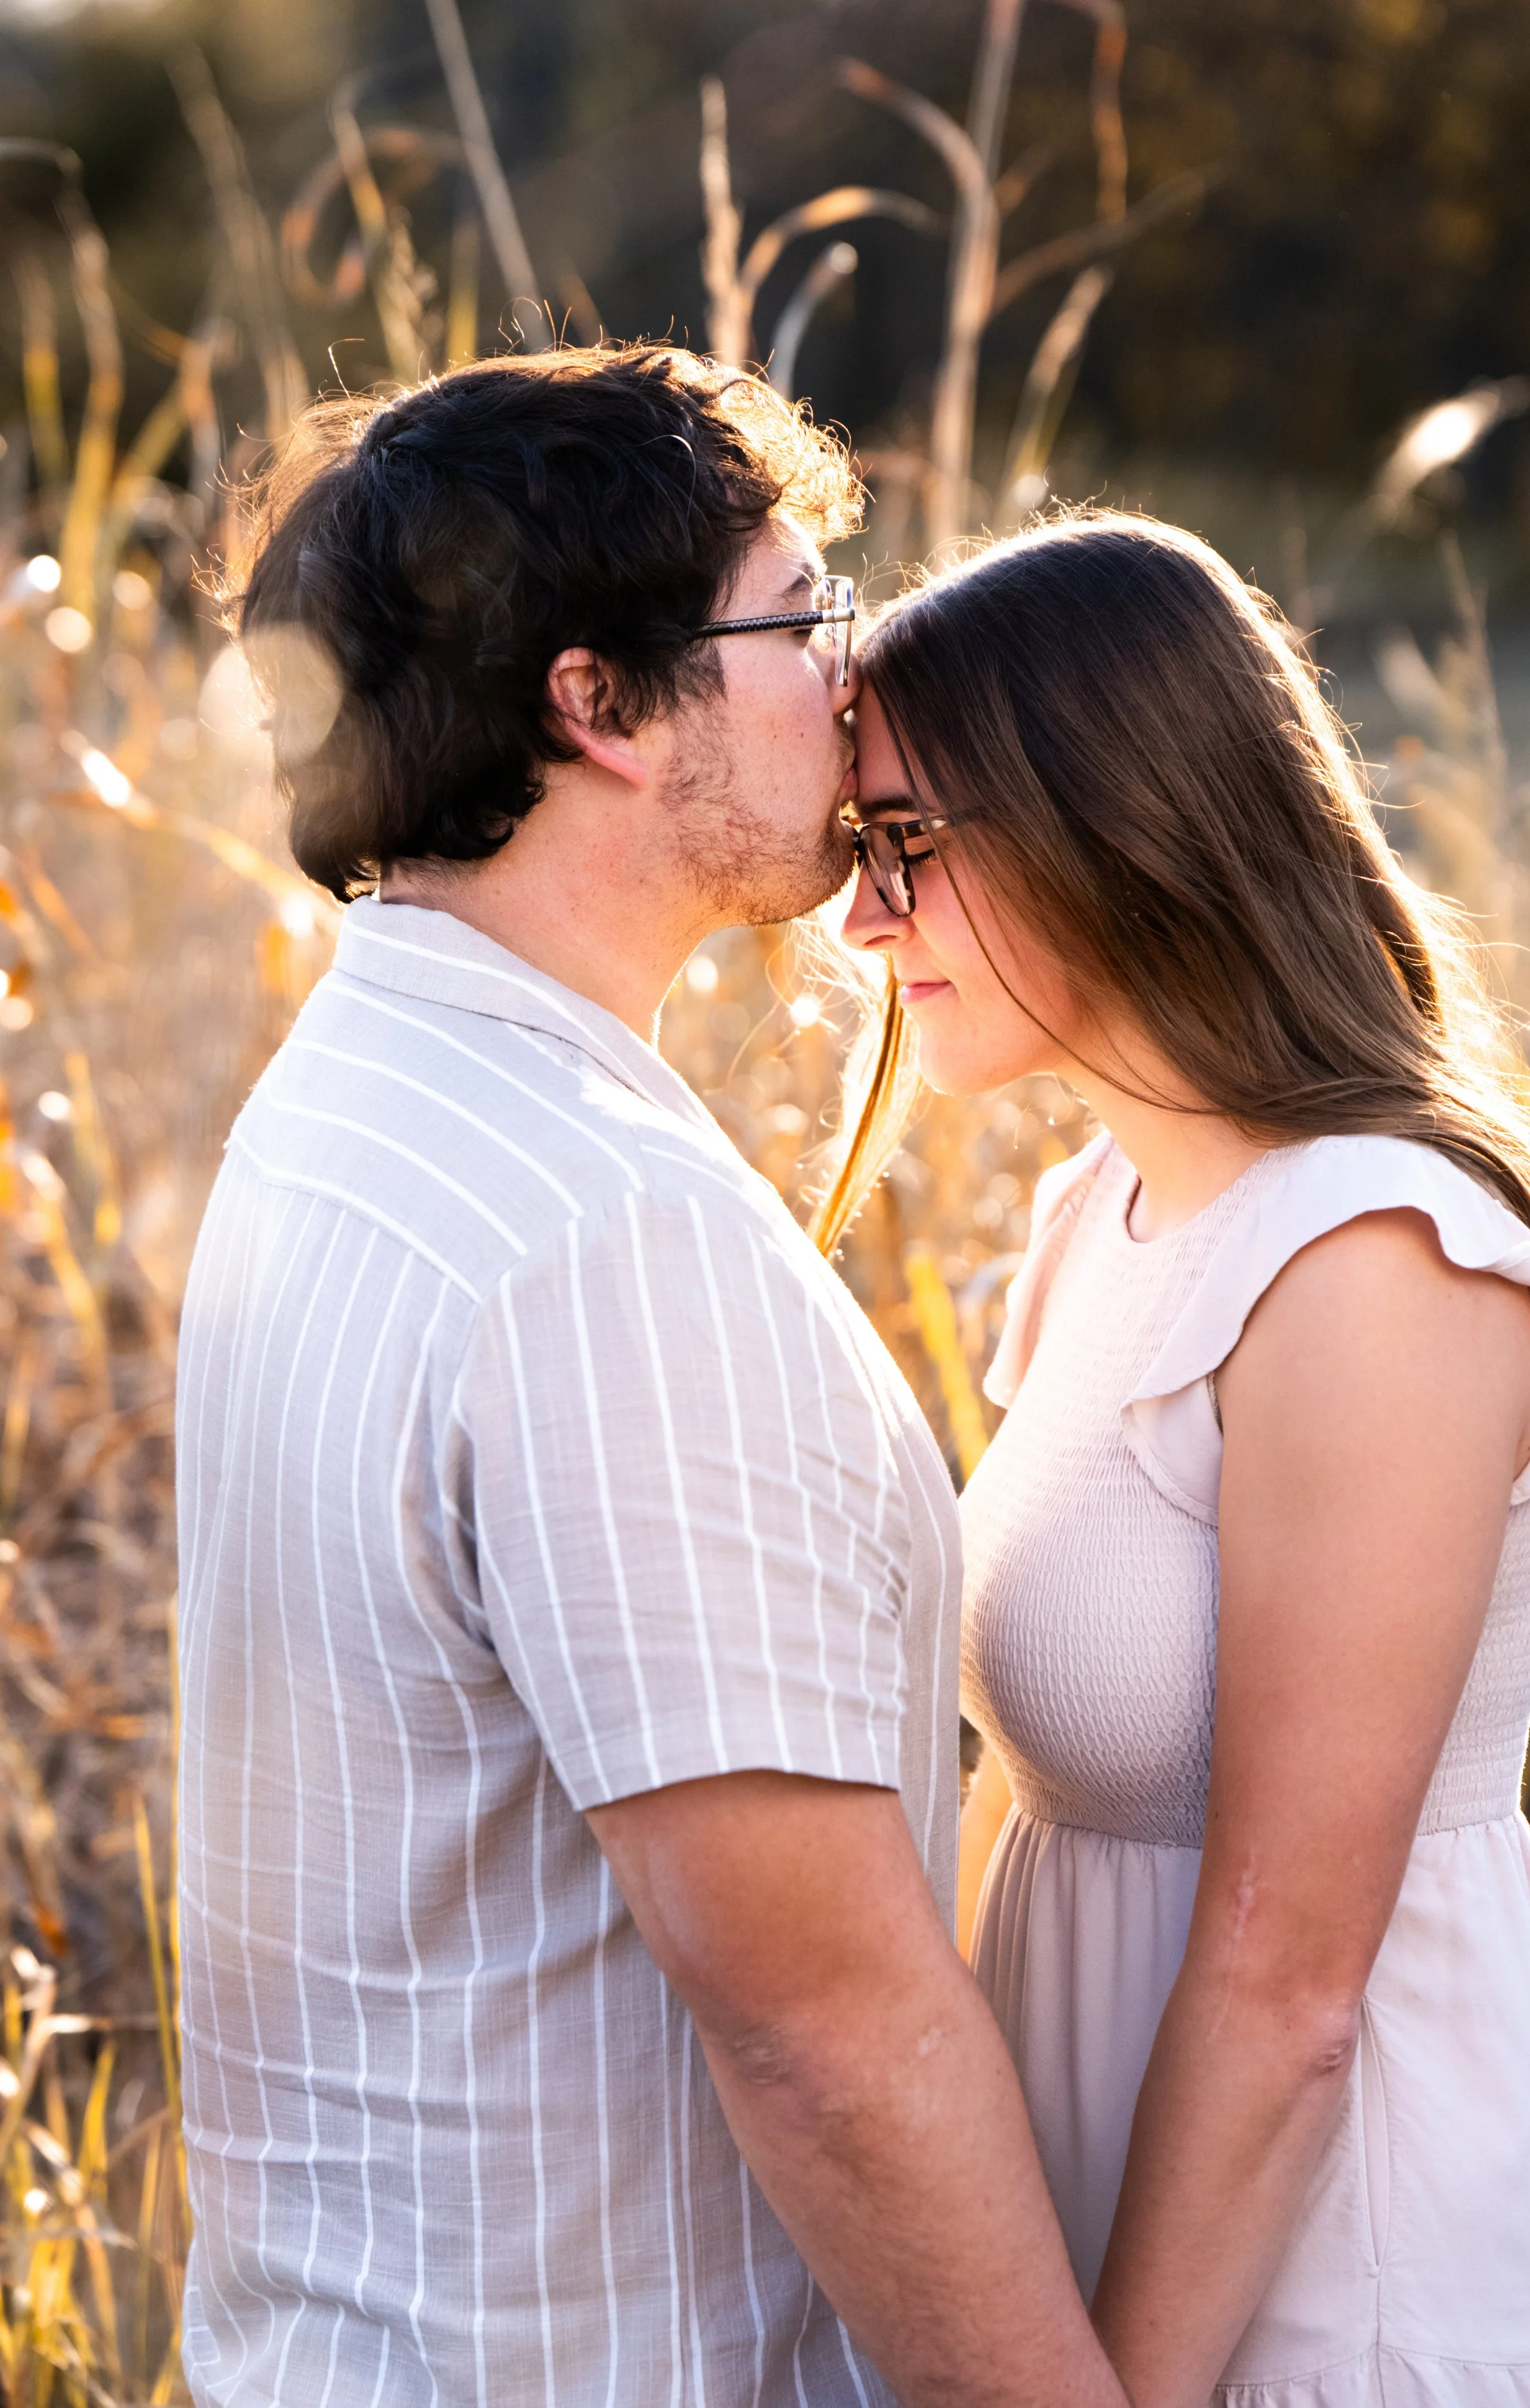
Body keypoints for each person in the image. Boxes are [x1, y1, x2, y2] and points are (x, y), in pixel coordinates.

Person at [174, 349, 1124, 2408]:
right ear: (597, 704)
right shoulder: (597, 1237)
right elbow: (826, 2024)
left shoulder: (343, 1108)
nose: (856, 692)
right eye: (801, 624)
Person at [834, 511, 1530, 2407]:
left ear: (1113, 819)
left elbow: (1288, 1989)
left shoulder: (1373, 1265)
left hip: (1336, 2284)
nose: (862, 919)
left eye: (906, 845)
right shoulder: (1103, 1209)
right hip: (1118, 2269)